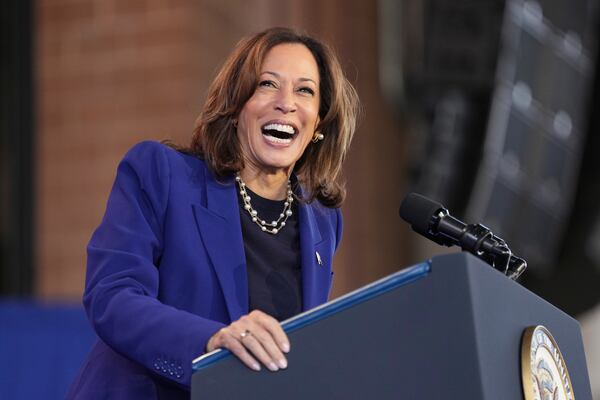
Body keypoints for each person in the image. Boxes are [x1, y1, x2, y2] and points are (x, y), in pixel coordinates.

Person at [67, 27, 359, 399]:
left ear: (318, 123)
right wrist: (211, 341)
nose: (286, 103)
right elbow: (112, 295)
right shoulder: (161, 175)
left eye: (305, 90)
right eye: (268, 84)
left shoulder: (323, 222)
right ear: (237, 106)